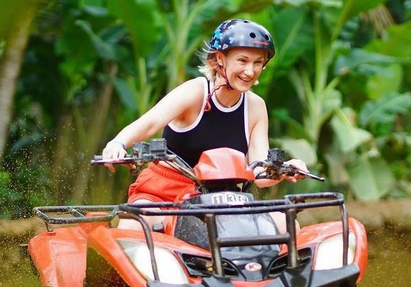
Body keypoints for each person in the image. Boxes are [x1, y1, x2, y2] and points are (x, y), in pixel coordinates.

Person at [101, 19, 307, 230]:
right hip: (164, 194)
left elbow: (260, 173)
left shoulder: (255, 107)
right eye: (242, 61)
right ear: (219, 59)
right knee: (133, 224)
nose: (250, 71)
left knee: (287, 224)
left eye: (257, 62)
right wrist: (117, 144)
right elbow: (150, 123)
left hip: (222, 200)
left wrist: (283, 170)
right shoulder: (195, 92)